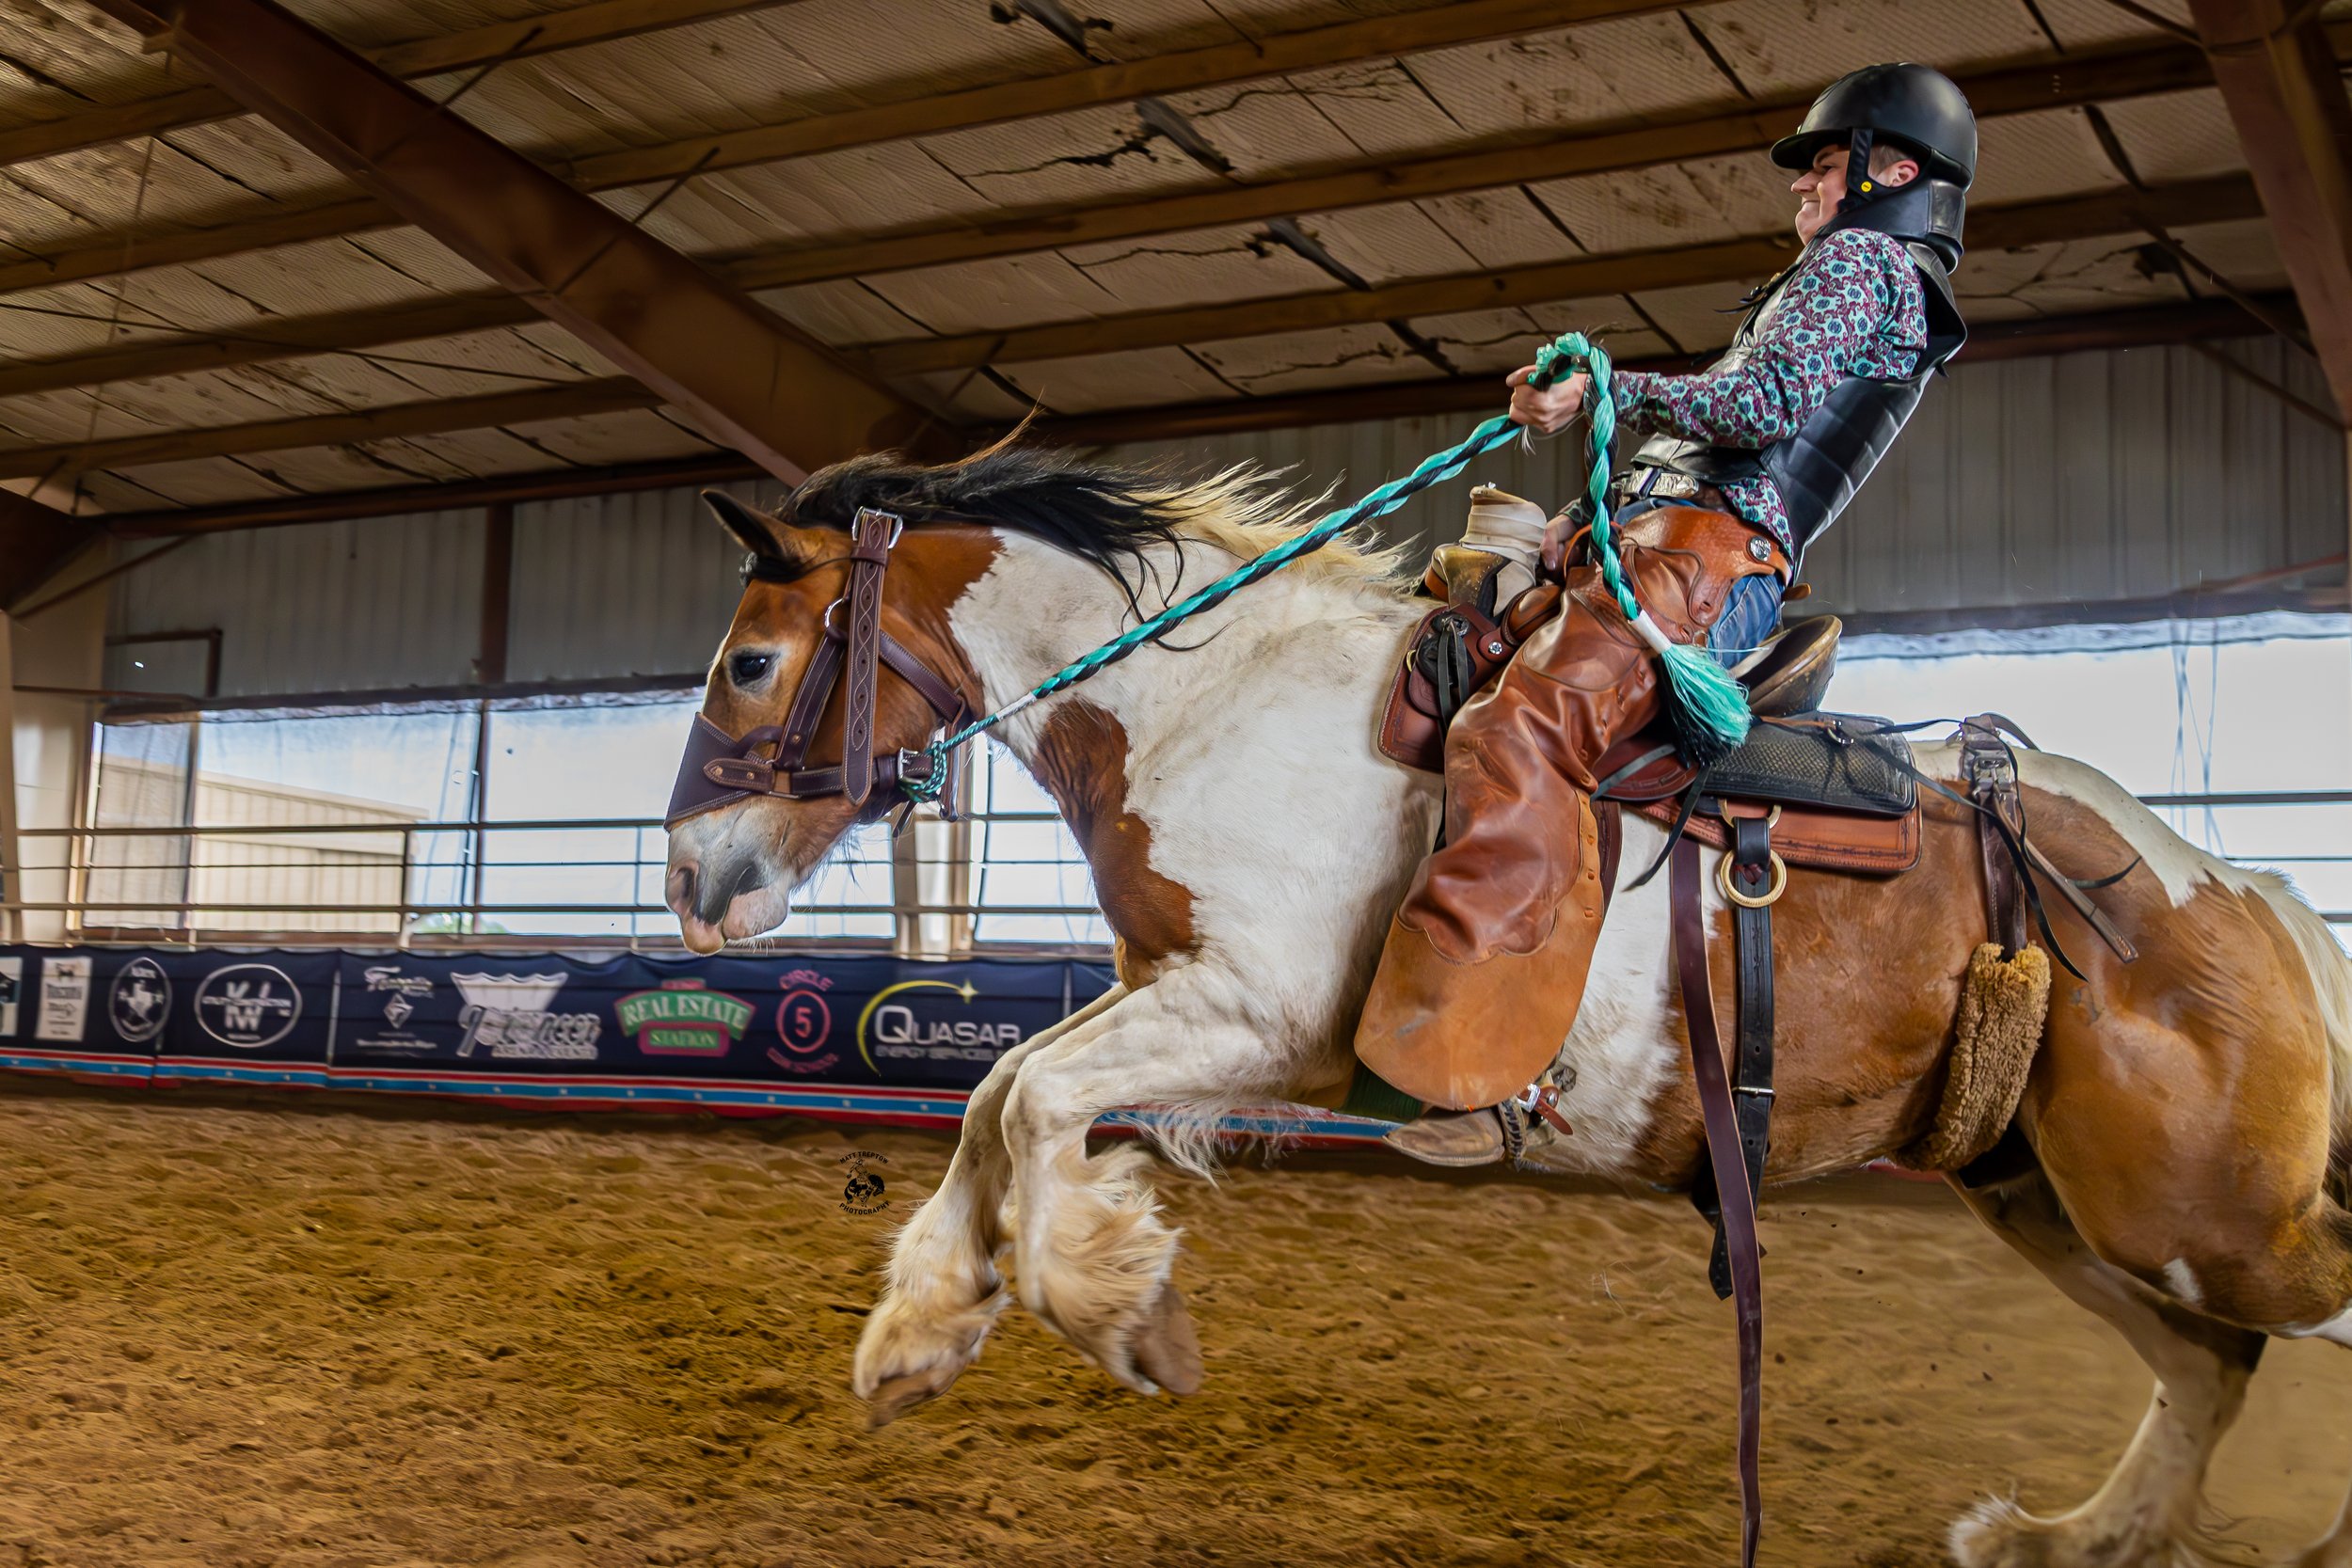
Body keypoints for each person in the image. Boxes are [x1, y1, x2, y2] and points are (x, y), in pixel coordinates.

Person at [1359, 62, 1977, 1168]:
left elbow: (1761, 408)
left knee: (1520, 727)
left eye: (1824, 168)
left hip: (1703, 568)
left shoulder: (1862, 261)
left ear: (1894, 170)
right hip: (1661, 546)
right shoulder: (1848, 273)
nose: (1802, 193)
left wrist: (1607, 384)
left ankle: (1500, 1060)